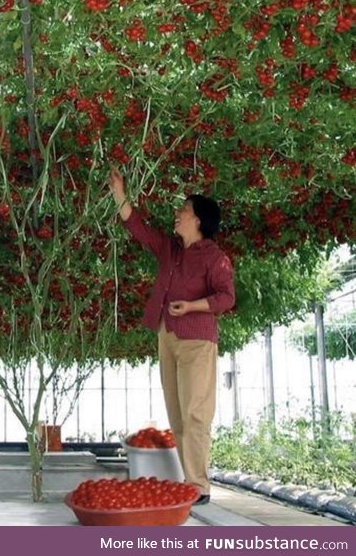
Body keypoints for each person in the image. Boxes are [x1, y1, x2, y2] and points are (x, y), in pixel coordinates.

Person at [108, 167, 235, 505]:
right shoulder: (171, 250)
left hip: (197, 338)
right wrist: (120, 193)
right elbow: (138, 228)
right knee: (177, 413)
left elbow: (226, 297)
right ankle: (189, 482)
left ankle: (199, 486)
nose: (177, 214)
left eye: (184, 210)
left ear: (198, 220)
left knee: (196, 412)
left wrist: (192, 306)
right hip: (168, 336)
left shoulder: (215, 258)